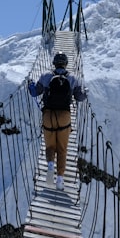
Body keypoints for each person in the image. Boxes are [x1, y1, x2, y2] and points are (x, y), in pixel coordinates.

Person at [27, 52, 87, 190]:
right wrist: (86, 92)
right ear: (66, 64)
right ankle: (60, 179)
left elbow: (35, 92)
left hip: (48, 115)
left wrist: (30, 84)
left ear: (54, 63)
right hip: (64, 116)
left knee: (50, 147)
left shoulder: (46, 76)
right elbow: (79, 97)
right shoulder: (73, 78)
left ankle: (49, 164)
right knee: (62, 149)